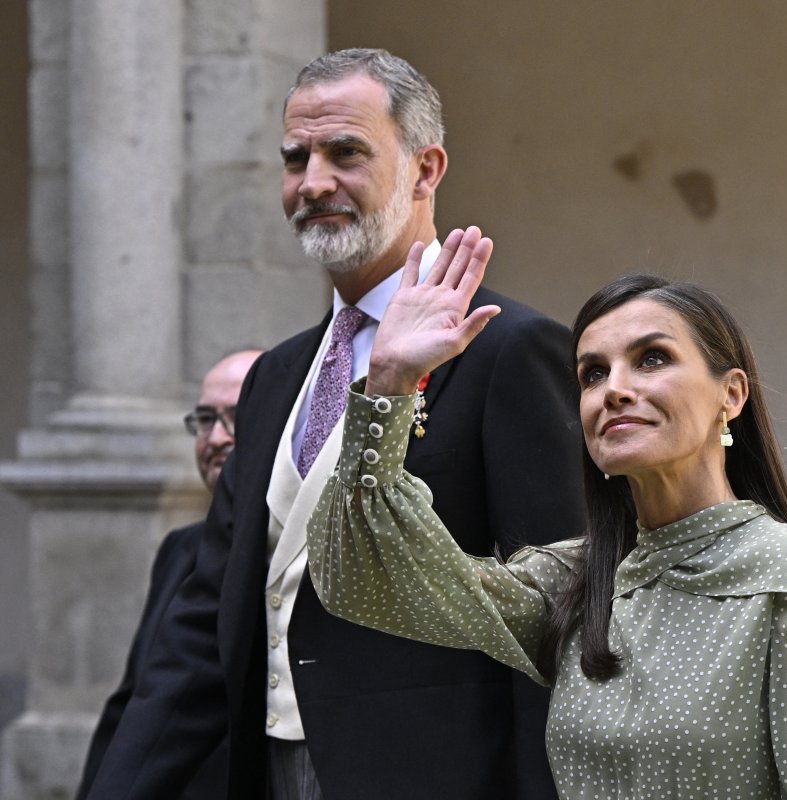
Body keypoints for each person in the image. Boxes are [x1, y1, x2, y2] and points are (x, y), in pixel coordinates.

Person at [85, 49, 583, 800]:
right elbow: (203, 619)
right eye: (296, 158)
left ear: (426, 170)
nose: (313, 182)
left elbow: (555, 617)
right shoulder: (274, 377)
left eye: (345, 152)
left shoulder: (509, 351)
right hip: (272, 768)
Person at [305, 251, 787, 799]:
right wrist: (388, 382)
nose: (614, 390)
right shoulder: (574, 582)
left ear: (730, 395)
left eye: (652, 359)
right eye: (592, 374)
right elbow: (361, 576)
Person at [76, 349, 262, 800]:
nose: (217, 437)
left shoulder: (299, 546)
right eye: (204, 419)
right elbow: (137, 697)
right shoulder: (181, 550)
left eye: (237, 417)